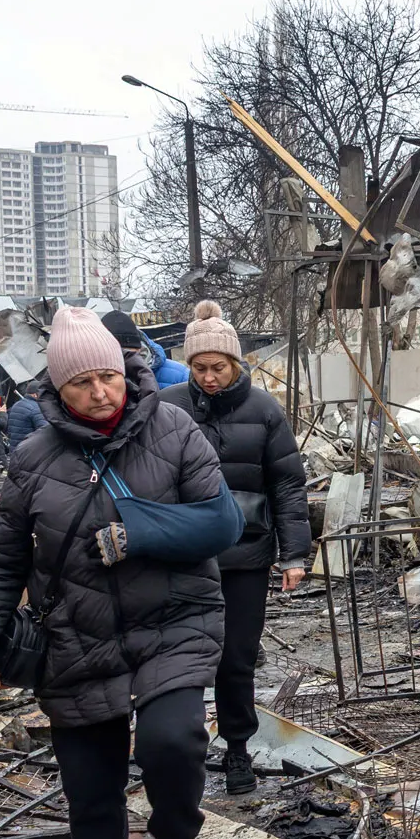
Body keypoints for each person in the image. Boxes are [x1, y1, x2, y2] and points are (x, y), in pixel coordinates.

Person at [0, 307, 234, 839]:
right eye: (82, 383)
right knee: (90, 793)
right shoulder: (32, 460)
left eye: (108, 376)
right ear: (58, 388)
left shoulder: (173, 429)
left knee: (174, 742)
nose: (100, 392)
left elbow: (221, 524)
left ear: (124, 371)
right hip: (76, 640)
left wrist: (141, 533)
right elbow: (1, 559)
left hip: (172, 624)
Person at [160, 301, 310, 795]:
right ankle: (181, 749)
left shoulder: (264, 410)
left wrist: (294, 554)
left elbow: (287, 484)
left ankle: (238, 748)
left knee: (237, 656)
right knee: (178, 654)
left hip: (246, 554)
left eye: (218, 367)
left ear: (235, 363)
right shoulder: (168, 408)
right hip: (183, 554)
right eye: (199, 368)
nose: (208, 377)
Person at [105, 310, 188, 387]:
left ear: (139, 349)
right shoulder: (100, 385)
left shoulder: (180, 377)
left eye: (128, 355)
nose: (122, 363)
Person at [5, 380, 46, 453]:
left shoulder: (15, 405)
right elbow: (45, 432)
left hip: (15, 451)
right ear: (35, 394)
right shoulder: (36, 408)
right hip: (31, 452)